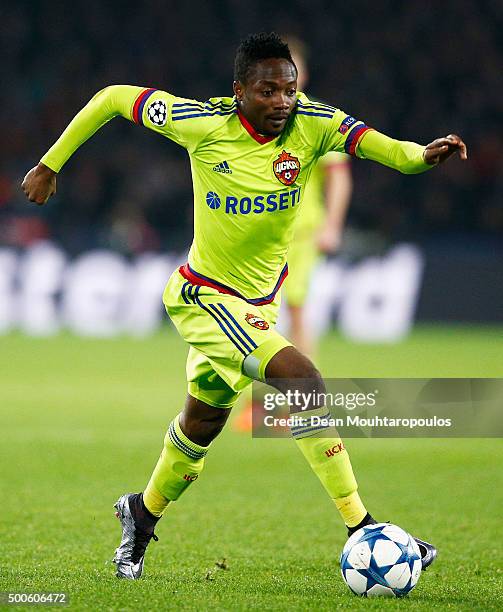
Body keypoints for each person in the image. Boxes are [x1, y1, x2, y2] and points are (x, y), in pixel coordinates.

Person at [22, 32, 467, 580]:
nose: (282, 101)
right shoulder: (203, 123)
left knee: (203, 422)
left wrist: (425, 155)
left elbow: (395, 154)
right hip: (202, 297)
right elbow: (112, 97)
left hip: (258, 306)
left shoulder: (315, 123)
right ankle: (363, 527)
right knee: (303, 379)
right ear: (239, 91)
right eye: (267, 91)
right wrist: (49, 164)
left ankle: (140, 513)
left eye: (289, 90)